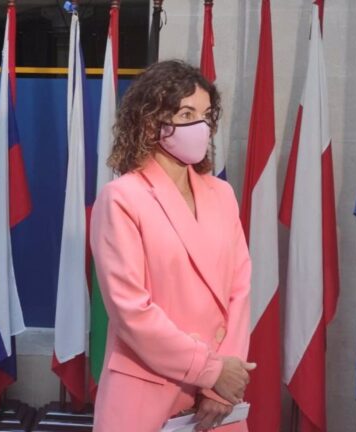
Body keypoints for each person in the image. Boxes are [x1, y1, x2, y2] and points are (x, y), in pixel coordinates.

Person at [90, 60, 254, 432]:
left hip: (218, 397)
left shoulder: (222, 194)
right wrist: (210, 370)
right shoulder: (121, 198)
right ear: (151, 122)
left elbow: (240, 291)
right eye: (186, 114)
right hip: (147, 388)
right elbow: (131, 310)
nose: (201, 126)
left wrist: (222, 385)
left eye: (206, 115)